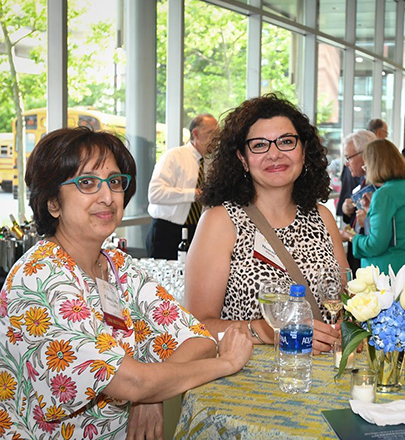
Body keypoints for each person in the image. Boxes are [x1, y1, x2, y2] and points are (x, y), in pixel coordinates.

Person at [0, 127, 252, 440]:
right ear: (53, 203)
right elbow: (130, 382)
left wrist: (151, 392)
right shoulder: (41, 275)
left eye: (115, 181)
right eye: (87, 183)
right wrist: (226, 363)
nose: (107, 196)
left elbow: (198, 339)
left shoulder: (116, 266)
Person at [184, 94, 348, 354]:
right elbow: (197, 327)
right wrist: (267, 330)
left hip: (325, 381)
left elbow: (344, 302)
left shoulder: (323, 218)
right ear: (241, 158)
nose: (274, 154)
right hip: (252, 383)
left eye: (286, 142)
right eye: (259, 145)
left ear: (303, 151)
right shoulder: (221, 222)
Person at [340, 139, 405, 277]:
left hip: (388, 273)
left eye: (366, 166)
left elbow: (375, 245)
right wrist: (370, 211)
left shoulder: (384, 194)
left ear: (375, 165)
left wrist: (349, 237)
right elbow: (397, 228)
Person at [146, 114, 218, 259]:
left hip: (198, 232)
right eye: (211, 134)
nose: (216, 140)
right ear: (196, 134)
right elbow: (155, 194)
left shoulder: (212, 163)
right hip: (166, 232)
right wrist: (194, 194)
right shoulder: (174, 156)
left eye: (218, 134)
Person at [337, 130, 377, 271]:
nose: (346, 163)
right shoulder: (363, 179)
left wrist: (367, 220)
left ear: (365, 154)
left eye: (349, 157)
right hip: (359, 251)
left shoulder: (383, 186)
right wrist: (347, 209)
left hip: (374, 260)